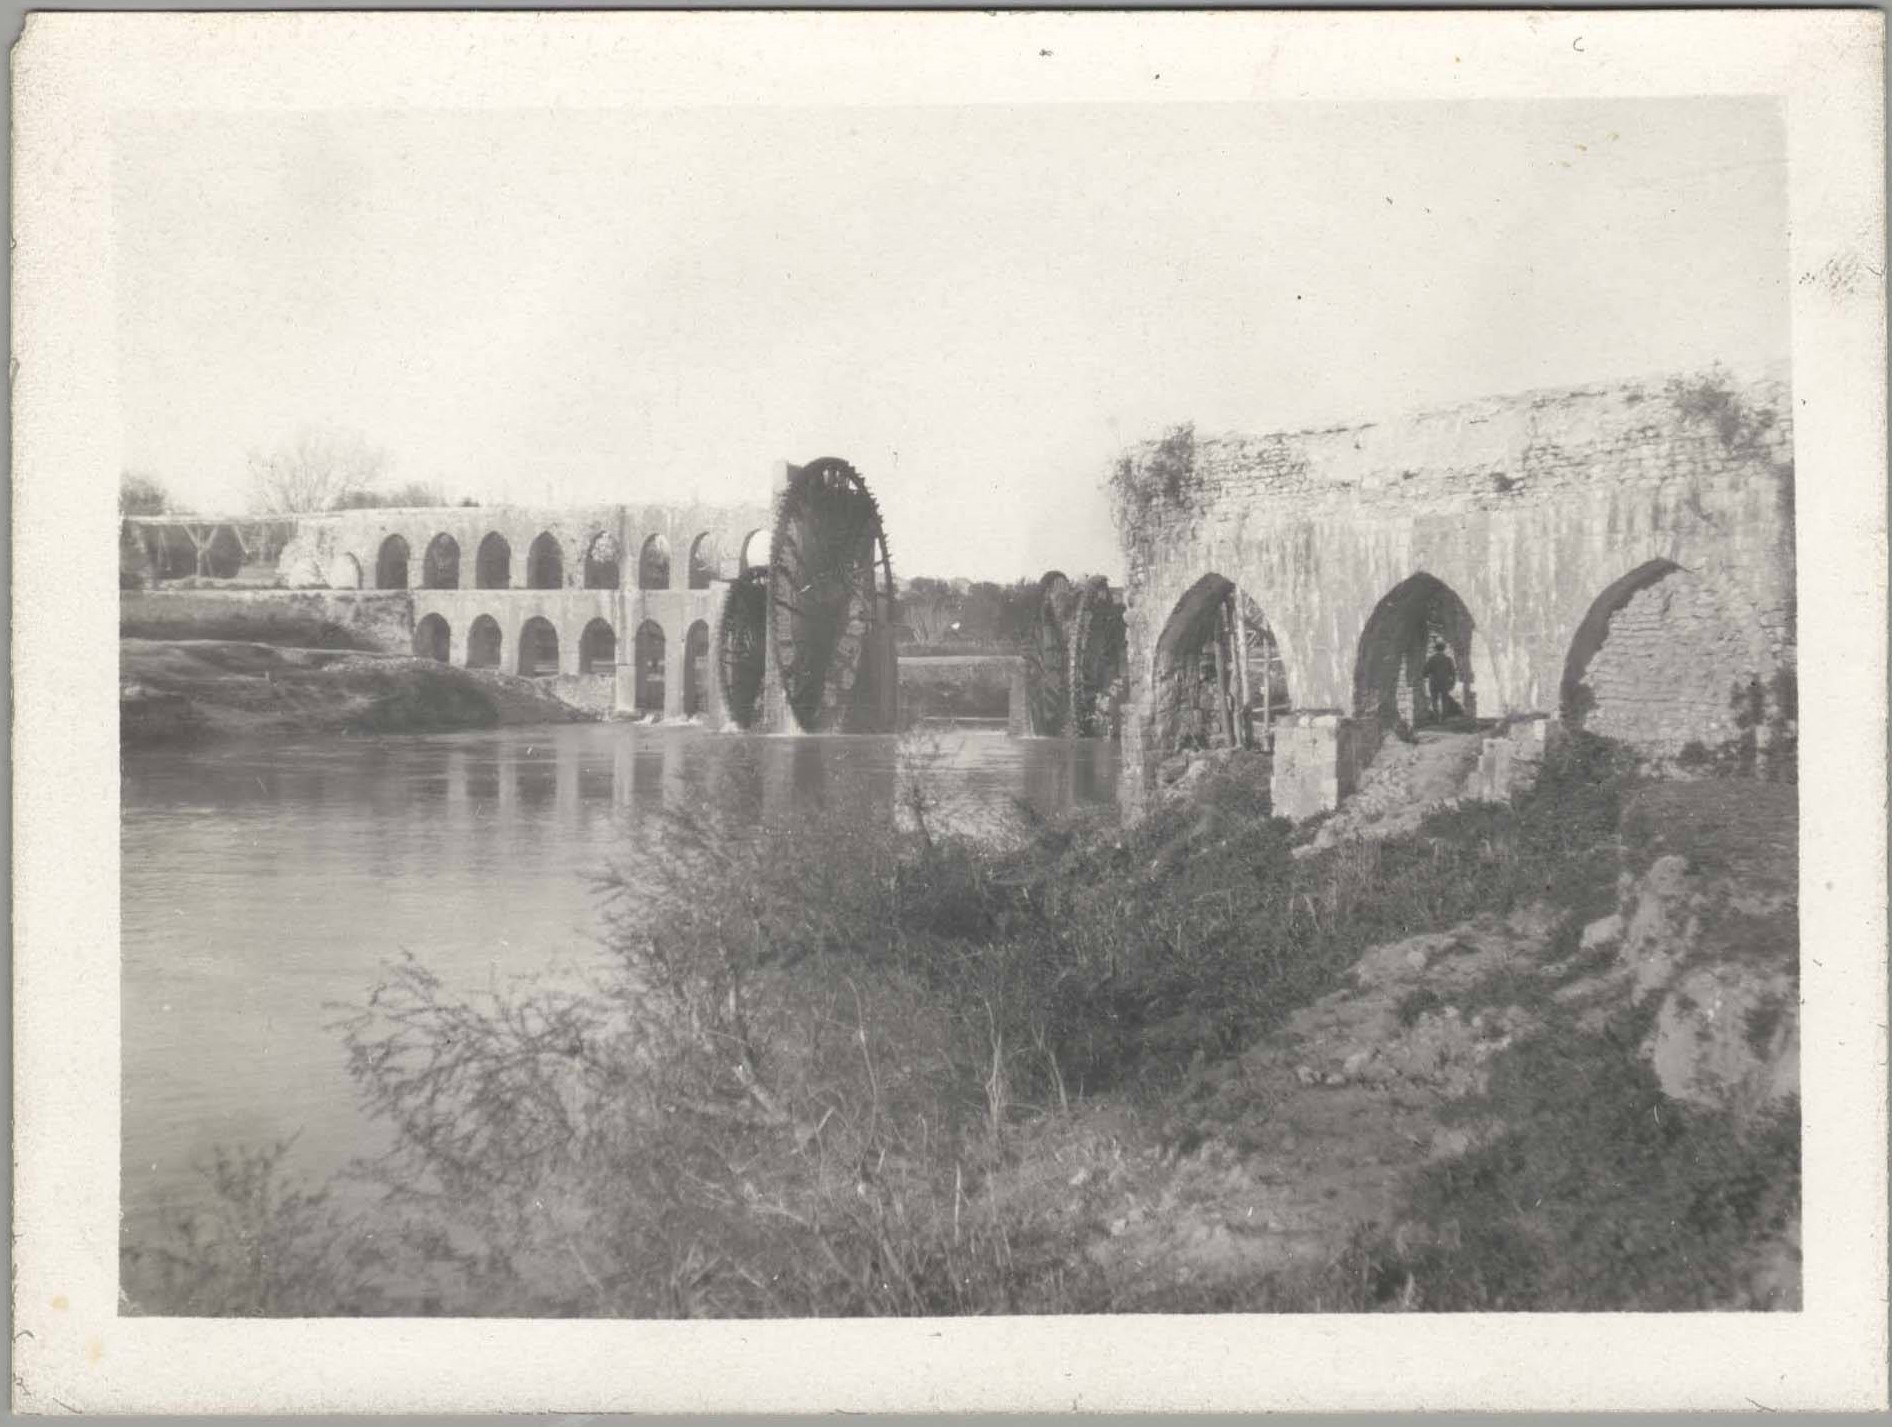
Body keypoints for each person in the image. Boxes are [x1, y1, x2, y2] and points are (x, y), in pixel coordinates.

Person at [1422, 639, 1458, 723]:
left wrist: (1427, 675)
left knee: (1434, 700)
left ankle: (1436, 718)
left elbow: (1425, 672)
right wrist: (1452, 683)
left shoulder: (1432, 659)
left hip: (1434, 682)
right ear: (1444, 649)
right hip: (1444, 682)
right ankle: (1444, 718)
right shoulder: (1448, 659)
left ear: (1435, 649)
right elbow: (1453, 673)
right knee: (1444, 700)